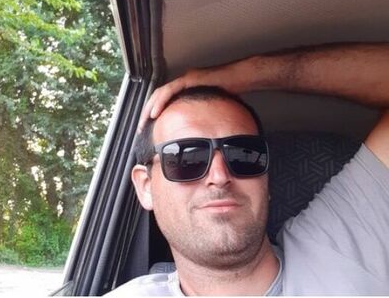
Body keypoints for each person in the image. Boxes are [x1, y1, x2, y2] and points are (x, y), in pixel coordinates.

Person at [107, 42, 389, 296]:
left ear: (266, 178)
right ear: (145, 187)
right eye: (187, 158)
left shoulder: (337, 247)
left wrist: (246, 74)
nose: (219, 176)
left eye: (244, 154)